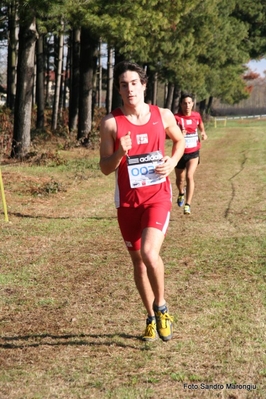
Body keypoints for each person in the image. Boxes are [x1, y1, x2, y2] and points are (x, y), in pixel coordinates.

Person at [99, 61, 185, 342]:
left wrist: (172, 162)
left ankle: (162, 307)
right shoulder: (111, 123)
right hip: (127, 202)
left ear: (144, 85)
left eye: (134, 83)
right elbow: (105, 167)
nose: (130, 88)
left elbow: (180, 141)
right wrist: (120, 153)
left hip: (157, 197)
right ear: (119, 89)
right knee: (137, 263)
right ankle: (150, 316)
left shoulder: (163, 115)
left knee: (150, 254)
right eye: (124, 84)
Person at [174, 93, 207, 215]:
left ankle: (188, 204)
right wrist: (179, 135)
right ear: (181, 104)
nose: (187, 105)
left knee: (189, 176)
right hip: (180, 153)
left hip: (193, 152)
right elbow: (168, 135)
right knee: (179, 179)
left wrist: (203, 132)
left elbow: (200, 125)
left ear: (192, 104)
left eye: (189, 103)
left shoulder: (196, 116)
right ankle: (181, 192)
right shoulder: (176, 117)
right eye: (184, 103)